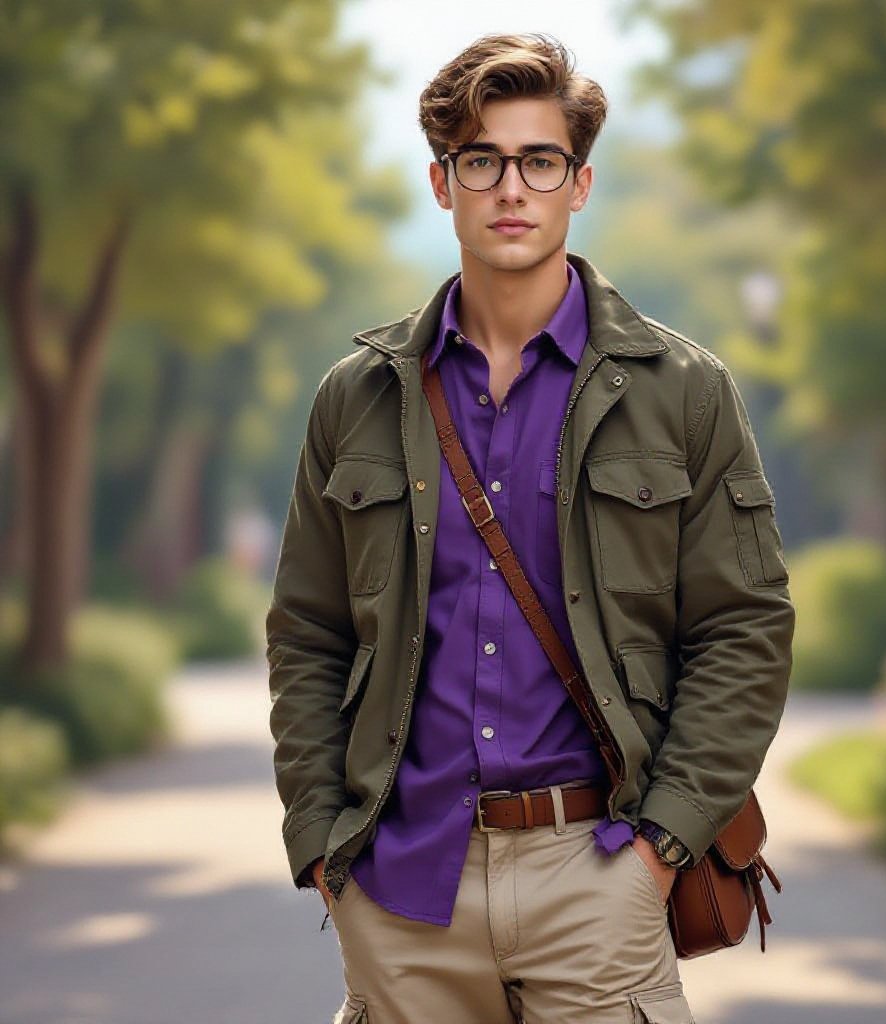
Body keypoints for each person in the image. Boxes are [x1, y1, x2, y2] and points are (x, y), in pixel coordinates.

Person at [266, 31, 795, 1024]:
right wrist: (323, 846)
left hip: (596, 874)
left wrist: (661, 845)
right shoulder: (357, 400)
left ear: (578, 183)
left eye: (538, 160)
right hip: (401, 884)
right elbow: (306, 631)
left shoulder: (681, 393)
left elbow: (744, 628)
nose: (511, 186)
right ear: (442, 184)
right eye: (482, 160)